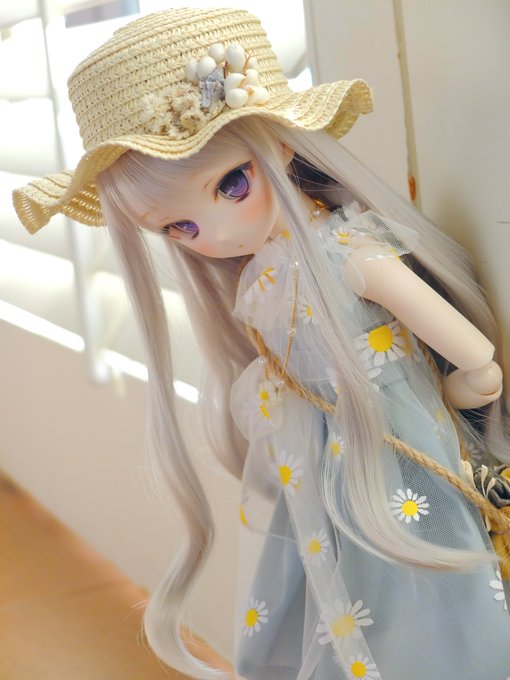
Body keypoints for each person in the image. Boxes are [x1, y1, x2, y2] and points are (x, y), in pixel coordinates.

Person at [13, 8, 510, 680]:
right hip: (317, 468)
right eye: (180, 227)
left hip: (393, 449)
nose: (215, 235)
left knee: (423, 597)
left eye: (232, 185)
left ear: (280, 144)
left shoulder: (349, 255)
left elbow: (473, 351)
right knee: (336, 597)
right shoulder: (262, 278)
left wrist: (470, 383)